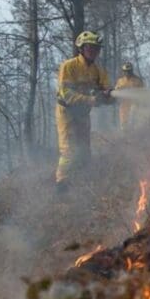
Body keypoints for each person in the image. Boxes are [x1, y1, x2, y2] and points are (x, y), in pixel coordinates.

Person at [55, 30, 114, 192]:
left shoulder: (97, 70)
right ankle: (61, 184)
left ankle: (84, 179)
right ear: (81, 48)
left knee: (84, 147)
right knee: (68, 149)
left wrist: (109, 95)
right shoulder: (69, 66)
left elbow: (106, 87)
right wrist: (91, 100)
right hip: (67, 112)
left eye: (96, 48)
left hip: (83, 113)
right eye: (90, 48)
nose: (94, 51)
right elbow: (65, 94)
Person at [114, 61, 144, 130]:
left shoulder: (138, 80)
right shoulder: (120, 81)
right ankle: (125, 136)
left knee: (132, 118)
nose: (127, 73)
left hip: (134, 103)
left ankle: (132, 133)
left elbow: (142, 92)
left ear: (131, 71)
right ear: (123, 71)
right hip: (124, 104)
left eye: (129, 71)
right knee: (123, 123)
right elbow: (116, 91)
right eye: (125, 71)